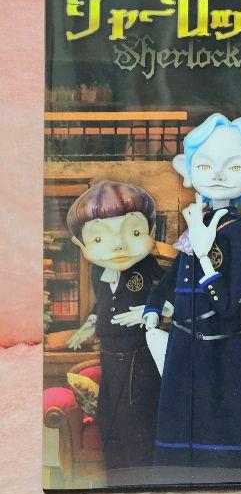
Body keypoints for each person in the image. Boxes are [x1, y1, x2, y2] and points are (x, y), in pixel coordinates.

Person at [142, 113, 241, 475]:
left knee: (227, 433)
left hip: (226, 347)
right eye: (205, 165)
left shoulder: (236, 230)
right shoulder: (198, 221)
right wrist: (153, 306)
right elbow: (175, 272)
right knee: (185, 432)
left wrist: (207, 256)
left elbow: (229, 303)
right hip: (187, 341)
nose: (219, 175)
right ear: (187, 170)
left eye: (234, 166)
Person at [65, 180, 162, 477]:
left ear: (151, 232)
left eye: (134, 233)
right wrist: (90, 324)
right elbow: (102, 302)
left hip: (138, 354)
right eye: (98, 238)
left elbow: (176, 295)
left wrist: (151, 311)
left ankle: (141, 479)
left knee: (137, 419)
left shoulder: (149, 266)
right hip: (109, 354)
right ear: (80, 243)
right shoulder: (98, 270)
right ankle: (117, 476)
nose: (119, 245)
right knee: (110, 418)